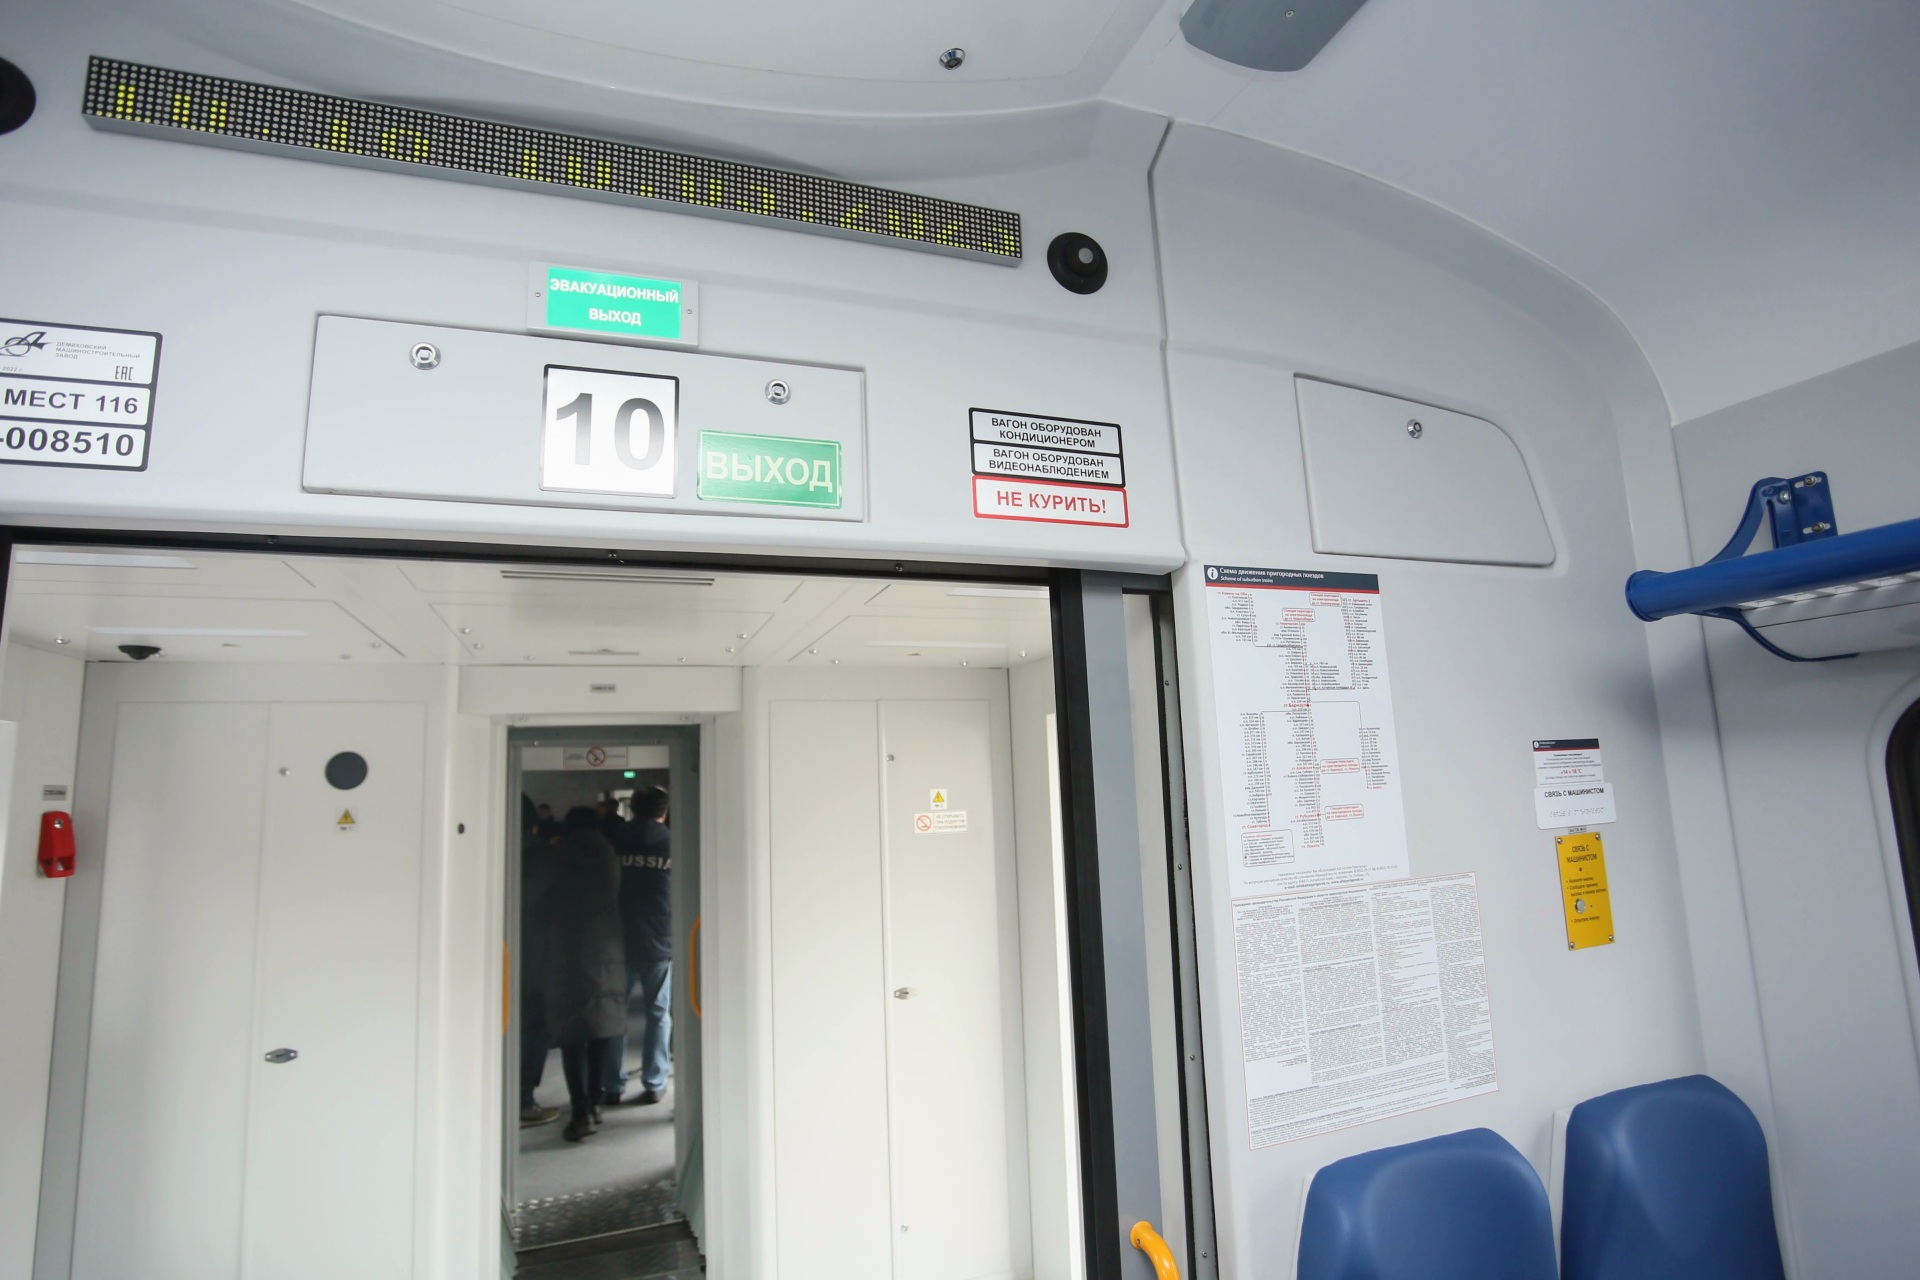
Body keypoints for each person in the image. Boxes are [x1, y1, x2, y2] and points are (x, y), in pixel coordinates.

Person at [541, 806, 628, 1142]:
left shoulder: (555, 858)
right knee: (600, 1030)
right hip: (606, 948)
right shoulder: (610, 858)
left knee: (572, 1037)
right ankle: (593, 1102)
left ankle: (580, 1112)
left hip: (565, 948)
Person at [602, 785, 673, 1106]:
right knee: (658, 1012)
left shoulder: (615, 840)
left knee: (614, 1012)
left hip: (618, 935)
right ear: (664, 812)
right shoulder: (672, 842)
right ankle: (654, 1082)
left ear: (634, 808)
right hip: (660, 936)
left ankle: (611, 1084)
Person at [518, 795, 561, 1127]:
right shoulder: (547, 858)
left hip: (481, 960)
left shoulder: (480, 850)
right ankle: (522, 1101)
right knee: (533, 1028)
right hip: (535, 960)